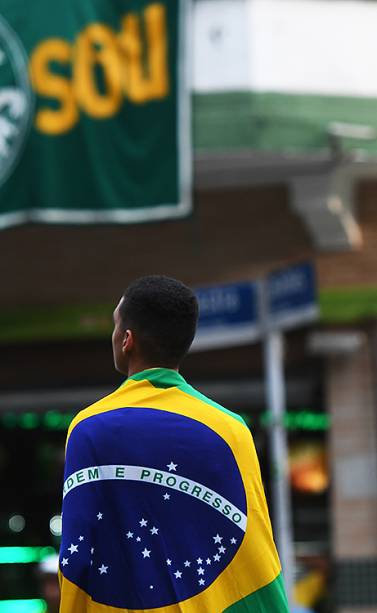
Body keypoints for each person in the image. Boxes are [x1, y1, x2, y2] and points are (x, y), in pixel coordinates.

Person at [59, 275, 289, 612]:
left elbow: (78, 554)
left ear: (127, 340)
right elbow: (253, 552)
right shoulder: (231, 430)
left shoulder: (89, 429)